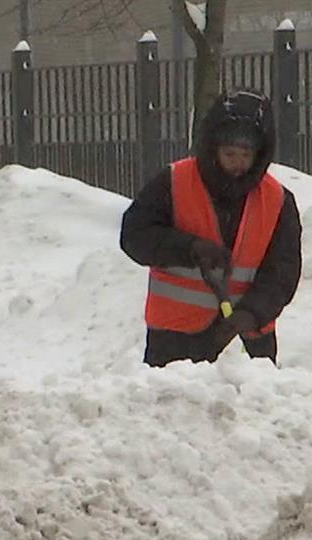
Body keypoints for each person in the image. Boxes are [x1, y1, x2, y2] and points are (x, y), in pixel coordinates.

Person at [120, 89, 302, 367]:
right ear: (212, 147)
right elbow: (134, 236)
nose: (238, 164)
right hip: (175, 339)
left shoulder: (277, 201)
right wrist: (190, 249)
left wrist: (252, 313)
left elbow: (282, 271)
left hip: (247, 343)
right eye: (229, 153)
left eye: (246, 155)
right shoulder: (174, 182)